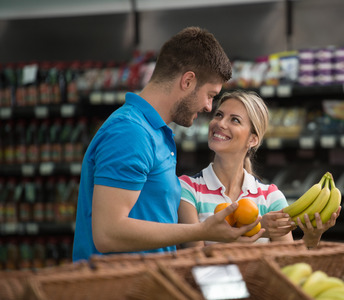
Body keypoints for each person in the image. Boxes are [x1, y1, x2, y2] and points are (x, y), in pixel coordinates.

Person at [72, 27, 264, 262]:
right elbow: (108, 234)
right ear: (188, 81)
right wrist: (202, 231)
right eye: (210, 95)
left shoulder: (156, 133)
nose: (208, 107)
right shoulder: (130, 132)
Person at [178, 90, 340, 248]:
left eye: (235, 120)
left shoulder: (270, 197)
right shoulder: (188, 189)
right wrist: (255, 228)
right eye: (219, 115)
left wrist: (311, 239)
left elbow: (288, 263)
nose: (220, 123)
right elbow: (194, 256)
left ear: (253, 139)